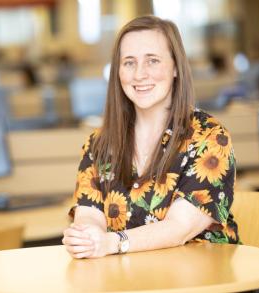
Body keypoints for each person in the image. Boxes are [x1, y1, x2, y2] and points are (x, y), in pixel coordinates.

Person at [62, 15, 239, 259]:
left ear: (176, 67)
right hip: (127, 279)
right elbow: (90, 213)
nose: (139, 75)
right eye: (129, 63)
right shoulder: (100, 143)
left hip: (198, 280)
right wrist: (88, 238)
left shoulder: (208, 137)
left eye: (153, 61)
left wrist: (111, 243)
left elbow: (179, 228)